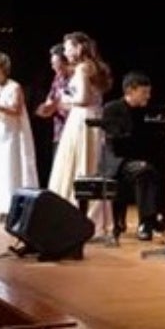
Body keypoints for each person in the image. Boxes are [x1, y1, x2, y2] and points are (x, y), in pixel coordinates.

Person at [47, 32, 112, 212]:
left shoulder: (83, 68)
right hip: (92, 116)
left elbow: (83, 99)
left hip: (82, 119)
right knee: (90, 163)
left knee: (81, 163)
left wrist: (65, 99)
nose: (65, 52)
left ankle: (76, 211)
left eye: (68, 48)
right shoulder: (93, 66)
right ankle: (90, 212)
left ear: (78, 47)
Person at [0, 51, 39, 222]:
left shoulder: (14, 87)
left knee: (13, 168)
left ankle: (15, 208)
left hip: (13, 133)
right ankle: (0, 209)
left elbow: (16, 110)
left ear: (0, 68)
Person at [97, 71, 160, 241]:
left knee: (155, 169)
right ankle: (145, 223)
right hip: (117, 160)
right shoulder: (112, 108)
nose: (148, 96)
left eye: (149, 92)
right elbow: (115, 140)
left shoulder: (147, 111)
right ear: (130, 91)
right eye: (144, 92)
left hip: (136, 160)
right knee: (145, 171)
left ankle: (156, 219)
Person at [34, 43, 72, 184]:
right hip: (59, 132)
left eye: (55, 63)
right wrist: (45, 109)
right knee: (60, 172)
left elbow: (79, 105)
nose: (53, 67)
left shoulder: (78, 79)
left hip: (74, 130)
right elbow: (50, 101)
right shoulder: (57, 79)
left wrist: (57, 105)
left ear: (66, 62)